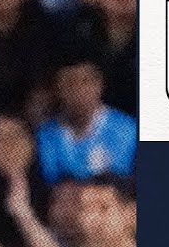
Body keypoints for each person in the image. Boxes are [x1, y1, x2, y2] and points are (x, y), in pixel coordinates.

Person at [36, 55, 137, 184]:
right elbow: (51, 183)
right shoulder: (46, 134)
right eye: (70, 83)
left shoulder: (127, 129)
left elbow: (120, 182)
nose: (78, 90)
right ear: (57, 89)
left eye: (85, 81)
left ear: (99, 85)